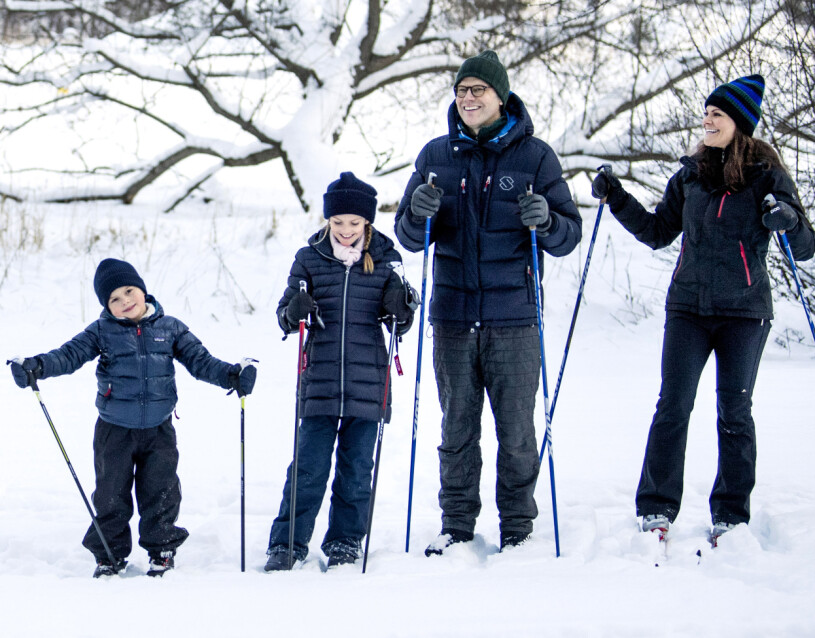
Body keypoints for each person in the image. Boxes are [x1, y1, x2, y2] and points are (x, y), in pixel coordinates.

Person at [590, 74, 815, 544]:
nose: (708, 120)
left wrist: (788, 219)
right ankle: (656, 506)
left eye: (718, 114)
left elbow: (805, 247)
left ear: (740, 124)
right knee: (673, 404)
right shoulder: (690, 175)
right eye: (707, 113)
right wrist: (617, 197)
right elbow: (657, 232)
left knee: (734, 410)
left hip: (744, 311)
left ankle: (731, 513)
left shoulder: (767, 177)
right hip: (688, 307)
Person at [394, 50, 582, 555]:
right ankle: (456, 525)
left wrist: (546, 219)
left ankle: (517, 529)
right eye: (461, 90)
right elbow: (407, 236)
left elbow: (569, 237)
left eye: (478, 89)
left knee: (518, 432)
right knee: (456, 429)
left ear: (500, 96)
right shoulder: (436, 156)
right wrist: (417, 212)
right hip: (453, 317)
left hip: (515, 321)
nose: (468, 98)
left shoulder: (536, 157)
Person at [8, 258, 257, 578]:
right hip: (114, 429)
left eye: (129, 291)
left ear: (143, 291)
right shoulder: (101, 331)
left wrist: (232, 376)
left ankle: (162, 550)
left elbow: (201, 361)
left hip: (159, 429)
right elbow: (69, 355)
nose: (125, 301)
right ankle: (109, 555)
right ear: (106, 305)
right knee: (111, 495)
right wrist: (37, 366)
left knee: (162, 491)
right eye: (114, 298)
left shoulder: (171, 328)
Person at [264, 172, 417, 571]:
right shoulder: (309, 257)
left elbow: (398, 319)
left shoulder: (387, 258)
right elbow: (284, 314)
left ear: (367, 221)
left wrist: (403, 308)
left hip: (369, 383)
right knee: (308, 468)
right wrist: (293, 312)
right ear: (327, 220)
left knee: (356, 471)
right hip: (320, 381)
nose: (345, 230)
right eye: (337, 222)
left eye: (354, 222)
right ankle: (288, 543)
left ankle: (346, 541)